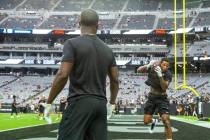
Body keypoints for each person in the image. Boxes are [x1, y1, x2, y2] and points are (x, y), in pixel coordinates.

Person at [44, 9, 119, 140]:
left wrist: (49, 102)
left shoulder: (72, 44)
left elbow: (62, 74)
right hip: (101, 105)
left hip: (80, 102)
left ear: (79, 23)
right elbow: (115, 80)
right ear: (98, 25)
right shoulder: (108, 50)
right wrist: (112, 103)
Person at [137, 58, 173, 140]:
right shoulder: (153, 68)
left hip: (162, 98)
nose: (165, 67)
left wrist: (160, 76)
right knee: (146, 121)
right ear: (160, 64)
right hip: (151, 97)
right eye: (164, 65)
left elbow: (164, 88)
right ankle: (153, 121)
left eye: (167, 66)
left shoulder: (168, 74)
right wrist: (148, 65)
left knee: (166, 121)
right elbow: (139, 70)